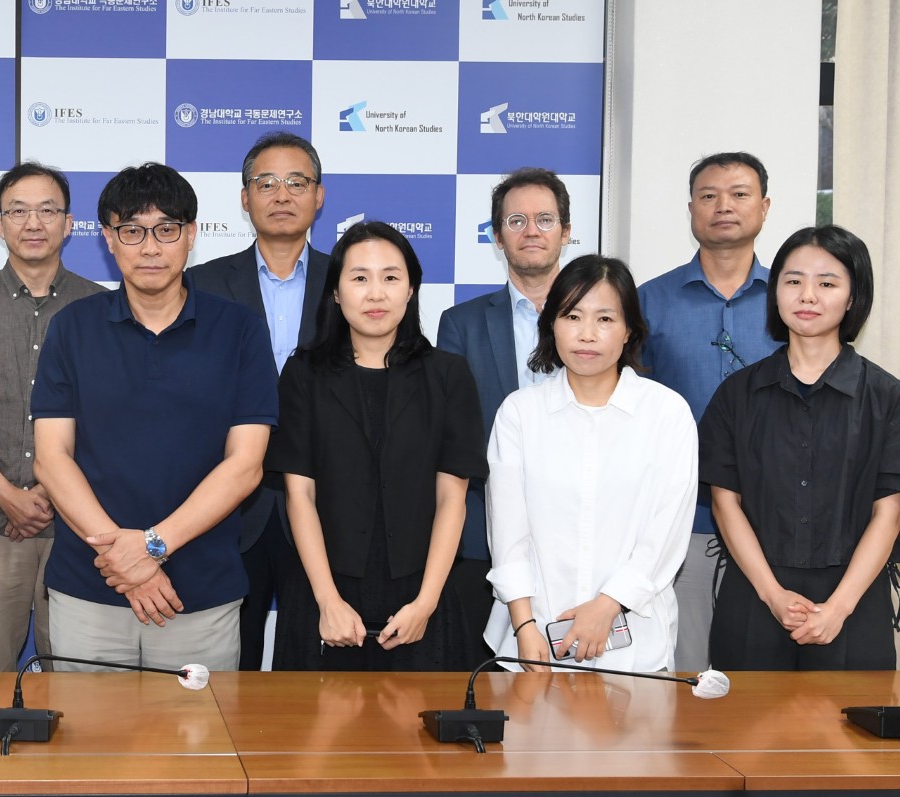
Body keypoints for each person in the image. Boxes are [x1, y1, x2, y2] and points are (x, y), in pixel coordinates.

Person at [32, 163, 276, 673]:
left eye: (166, 229)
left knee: (197, 726)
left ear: (191, 235)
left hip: (200, 592)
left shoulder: (241, 330)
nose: (149, 247)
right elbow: (52, 460)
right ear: (107, 238)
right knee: (89, 726)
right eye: (132, 231)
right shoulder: (71, 328)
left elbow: (245, 466)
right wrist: (128, 563)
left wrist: (151, 546)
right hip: (91, 587)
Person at [700, 225, 900, 670]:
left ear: (852, 298)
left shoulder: (887, 397)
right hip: (754, 596)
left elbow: (889, 515)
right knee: (744, 716)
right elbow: (724, 503)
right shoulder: (737, 394)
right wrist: (773, 595)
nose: (807, 295)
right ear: (775, 292)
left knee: (850, 717)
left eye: (827, 284)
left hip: (854, 603)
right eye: (793, 281)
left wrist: (838, 608)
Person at [267, 221, 486, 670]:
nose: (376, 293)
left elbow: (452, 498)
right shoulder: (303, 374)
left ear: (411, 289)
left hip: (421, 599)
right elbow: (299, 494)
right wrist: (328, 601)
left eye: (390, 277)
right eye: (360, 278)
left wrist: (425, 603)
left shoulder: (448, 375)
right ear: (336, 292)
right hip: (324, 597)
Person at [484, 255, 696, 673]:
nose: (586, 334)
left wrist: (607, 606)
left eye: (605, 319)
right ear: (551, 325)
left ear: (629, 329)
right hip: (531, 642)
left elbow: (665, 533)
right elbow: (508, 533)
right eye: (572, 316)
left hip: (635, 647)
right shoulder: (519, 413)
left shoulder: (667, 414)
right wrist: (524, 625)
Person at [0, 164, 103, 673]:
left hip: (78, 525)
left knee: (75, 677)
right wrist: (7, 495)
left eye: (47, 210)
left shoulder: (100, 309)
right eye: (18, 211)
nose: (33, 223)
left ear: (69, 223)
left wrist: (48, 494)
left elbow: (104, 418)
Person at [190, 132, 330, 671]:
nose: (282, 194)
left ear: (319, 196)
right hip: (226, 502)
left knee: (311, 662)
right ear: (244, 198)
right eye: (266, 183)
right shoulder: (200, 284)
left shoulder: (351, 281)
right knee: (229, 665)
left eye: (297, 182)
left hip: (324, 499)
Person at [638, 152, 779, 672]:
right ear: (691, 209)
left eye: (740, 194)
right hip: (681, 524)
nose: (724, 206)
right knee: (686, 674)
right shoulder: (648, 302)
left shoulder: (792, 301)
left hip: (774, 526)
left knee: (764, 682)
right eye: (709, 196)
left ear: (764, 207)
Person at [435, 168, 571, 661]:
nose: (531, 231)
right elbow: (452, 436)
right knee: (482, 680)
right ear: (497, 236)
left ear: (566, 231)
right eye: (516, 221)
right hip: (484, 534)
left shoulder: (602, 320)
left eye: (544, 219)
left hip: (580, 529)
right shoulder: (461, 324)